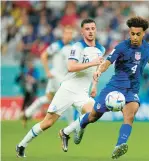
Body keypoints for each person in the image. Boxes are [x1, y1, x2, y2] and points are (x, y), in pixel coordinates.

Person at [73, 16, 149, 159]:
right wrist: (99, 71)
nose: (134, 37)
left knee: (129, 116)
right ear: (129, 33)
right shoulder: (121, 46)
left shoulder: (148, 49)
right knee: (93, 116)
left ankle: (119, 145)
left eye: (138, 34)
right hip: (114, 87)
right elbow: (108, 61)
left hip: (131, 90)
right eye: (132, 34)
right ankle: (81, 126)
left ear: (143, 34)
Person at [16, 18, 105, 158]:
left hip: (82, 93)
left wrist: (94, 85)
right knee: (47, 123)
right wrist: (91, 63)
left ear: (96, 30)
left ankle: (66, 132)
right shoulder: (77, 47)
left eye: (93, 28)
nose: (90, 31)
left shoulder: (101, 49)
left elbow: (97, 69)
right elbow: (70, 67)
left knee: (94, 113)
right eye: (87, 29)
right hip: (67, 90)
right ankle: (21, 145)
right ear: (82, 32)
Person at [22, 25, 74, 127]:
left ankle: (26, 113)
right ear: (63, 34)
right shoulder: (56, 46)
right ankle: (71, 127)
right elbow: (43, 56)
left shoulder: (72, 47)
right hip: (55, 76)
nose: (69, 35)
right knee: (68, 100)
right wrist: (47, 71)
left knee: (48, 98)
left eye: (71, 33)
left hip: (62, 77)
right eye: (67, 33)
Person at [15, 59, 40, 128]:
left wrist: (31, 79)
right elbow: (18, 79)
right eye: (29, 64)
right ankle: (24, 117)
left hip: (32, 91)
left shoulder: (34, 71)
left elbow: (36, 80)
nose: (30, 65)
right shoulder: (26, 71)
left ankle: (26, 117)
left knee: (29, 104)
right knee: (25, 104)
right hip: (27, 91)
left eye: (31, 64)